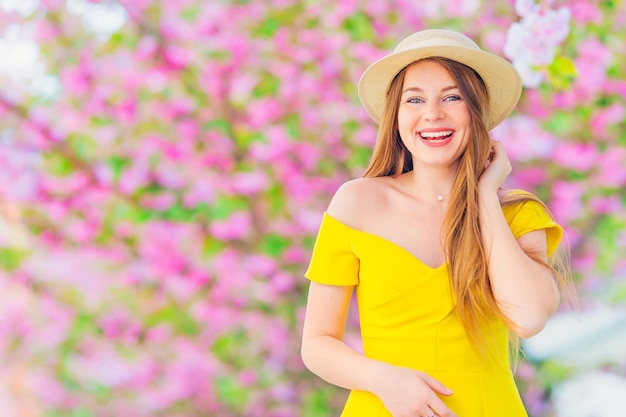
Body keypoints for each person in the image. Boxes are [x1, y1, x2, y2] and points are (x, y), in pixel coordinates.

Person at [300, 29, 573, 417]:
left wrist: (484, 198)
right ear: (396, 117)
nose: (432, 114)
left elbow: (528, 317)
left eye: (452, 97)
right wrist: (385, 380)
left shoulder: (517, 214)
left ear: (476, 110)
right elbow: (317, 343)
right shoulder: (357, 202)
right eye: (415, 99)